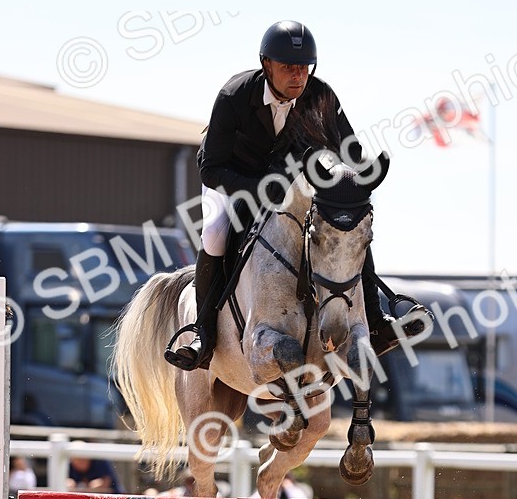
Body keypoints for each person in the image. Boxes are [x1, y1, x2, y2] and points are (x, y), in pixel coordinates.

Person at [165, 19, 430, 371]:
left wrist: (365, 174)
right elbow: (211, 169)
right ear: (266, 65)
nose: (298, 77)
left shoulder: (320, 96)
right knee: (215, 233)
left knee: (346, 226)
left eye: (304, 68)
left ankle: (378, 320)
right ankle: (203, 333)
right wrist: (258, 188)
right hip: (233, 177)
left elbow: (348, 150)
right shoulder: (234, 97)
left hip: (289, 188)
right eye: (288, 68)